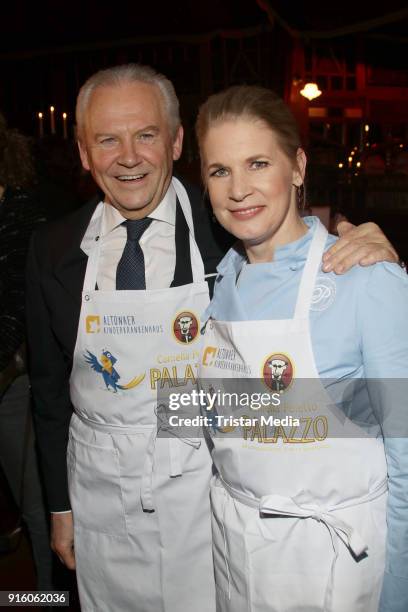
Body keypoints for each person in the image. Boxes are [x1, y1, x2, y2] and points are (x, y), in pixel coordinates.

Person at [26, 64, 398, 612]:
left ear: (176, 143)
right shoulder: (53, 248)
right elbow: (49, 388)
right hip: (102, 489)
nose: (128, 156)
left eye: (147, 135)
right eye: (107, 139)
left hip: (202, 495)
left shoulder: (222, 221)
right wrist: (59, 505)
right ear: (83, 153)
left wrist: (368, 241)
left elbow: (289, 227)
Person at [196, 85, 408, 612]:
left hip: (334, 567)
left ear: (297, 167)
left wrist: (399, 592)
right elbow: (208, 427)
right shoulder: (217, 284)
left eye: (258, 163)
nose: (238, 189)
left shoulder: (366, 277)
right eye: (219, 170)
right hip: (236, 556)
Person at [0, 112, 53, 589]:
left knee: (38, 508)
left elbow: (18, 307)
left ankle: (47, 601)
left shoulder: (24, 215)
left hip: (13, 382)